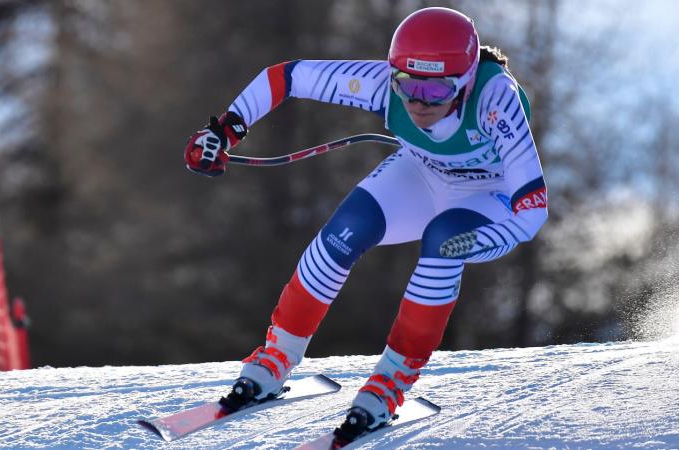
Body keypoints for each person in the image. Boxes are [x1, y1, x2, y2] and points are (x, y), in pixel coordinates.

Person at [183, 6, 547, 438]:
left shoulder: (495, 98)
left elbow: (533, 208)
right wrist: (225, 130)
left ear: (466, 82)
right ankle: (274, 360)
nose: (417, 104)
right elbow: (287, 77)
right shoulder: (380, 84)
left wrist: (467, 246)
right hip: (423, 175)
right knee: (344, 231)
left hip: (492, 198)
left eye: (436, 94)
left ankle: (390, 382)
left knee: (442, 240)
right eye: (408, 87)